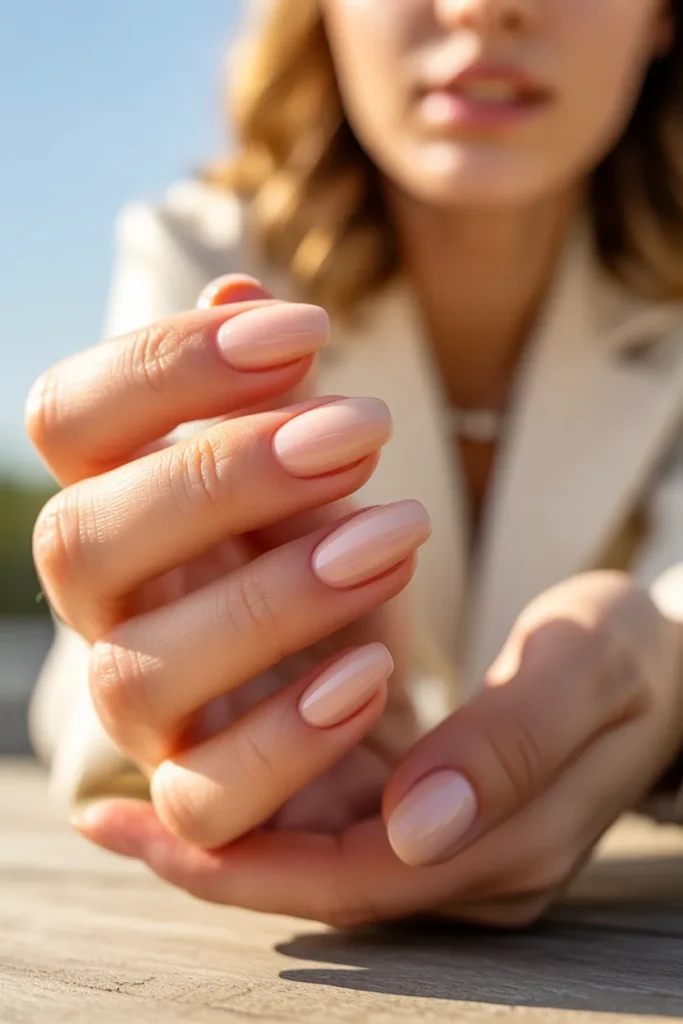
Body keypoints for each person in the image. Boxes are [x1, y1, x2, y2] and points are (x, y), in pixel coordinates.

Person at [26, 0, 683, 928]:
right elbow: (92, 677)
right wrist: (171, 708)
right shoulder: (206, 256)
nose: (481, 8)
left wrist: (666, 681)